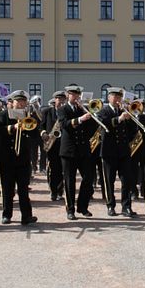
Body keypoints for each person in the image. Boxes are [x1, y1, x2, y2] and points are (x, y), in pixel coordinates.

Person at [0, 90, 40, 225]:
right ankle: (6, 215)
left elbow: (35, 134)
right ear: (12, 102)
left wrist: (31, 125)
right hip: (7, 158)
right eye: (18, 102)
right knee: (7, 189)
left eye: (23, 102)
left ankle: (26, 216)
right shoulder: (4, 114)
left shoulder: (29, 115)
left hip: (23, 158)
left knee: (23, 189)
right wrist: (13, 127)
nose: (20, 104)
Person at [57, 85, 97, 220]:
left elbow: (92, 128)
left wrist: (92, 115)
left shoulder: (82, 109)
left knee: (88, 178)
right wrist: (81, 119)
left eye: (77, 95)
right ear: (68, 95)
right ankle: (70, 209)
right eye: (73, 95)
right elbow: (64, 125)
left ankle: (82, 206)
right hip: (68, 151)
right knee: (69, 181)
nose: (76, 97)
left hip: (83, 149)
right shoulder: (63, 109)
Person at [97, 87, 138, 217]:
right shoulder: (103, 111)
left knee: (126, 180)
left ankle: (126, 207)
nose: (117, 99)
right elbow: (105, 124)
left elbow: (133, 130)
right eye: (114, 97)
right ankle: (111, 206)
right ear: (109, 98)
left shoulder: (125, 111)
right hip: (109, 151)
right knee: (109, 181)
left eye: (119, 97)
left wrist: (129, 117)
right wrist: (119, 119)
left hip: (124, 151)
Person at [40, 91, 66, 201]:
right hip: (51, 144)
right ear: (55, 100)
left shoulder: (65, 112)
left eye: (62, 99)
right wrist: (44, 133)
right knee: (53, 169)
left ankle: (60, 192)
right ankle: (53, 191)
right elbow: (41, 126)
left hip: (64, 144)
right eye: (58, 99)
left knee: (62, 169)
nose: (60, 101)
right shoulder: (47, 112)